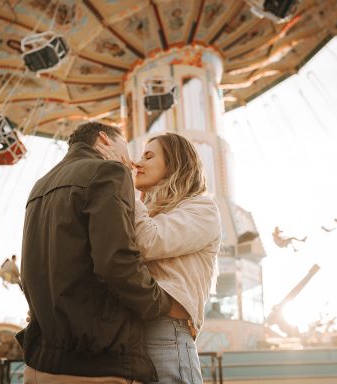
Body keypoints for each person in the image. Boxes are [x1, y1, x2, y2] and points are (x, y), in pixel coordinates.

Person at [18, 122, 174, 383]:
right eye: (126, 146)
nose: (131, 161)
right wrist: (160, 303)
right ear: (104, 139)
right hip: (98, 359)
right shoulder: (108, 172)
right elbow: (116, 261)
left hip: (40, 360)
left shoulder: (40, 185)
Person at [97, 132, 221, 384]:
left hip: (165, 329)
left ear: (175, 163)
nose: (136, 163)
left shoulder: (202, 209)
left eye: (149, 156)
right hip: (129, 332)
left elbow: (149, 242)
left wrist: (125, 185)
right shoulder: (146, 210)